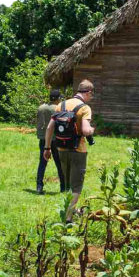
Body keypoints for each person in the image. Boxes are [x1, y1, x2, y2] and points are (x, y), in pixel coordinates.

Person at [44, 80, 95, 222]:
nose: (91, 97)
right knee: (77, 185)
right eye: (91, 95)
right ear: (88, 92)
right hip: (78, 150)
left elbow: (49, 128)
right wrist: (92, 130)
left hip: (61, 149)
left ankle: (72, 210)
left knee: (67, 184)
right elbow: (85, 130)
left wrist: (47, 148)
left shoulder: (62, 105)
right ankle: (68, 217)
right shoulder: (84, 108)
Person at [36, 89, 64, 195]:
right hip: (55, 139)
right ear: (58, 98)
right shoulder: (58, 108)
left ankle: (39, 186)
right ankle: (63, 186)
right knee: (59, 163)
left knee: (42, 163)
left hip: (43, 138)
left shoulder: (41, 107)